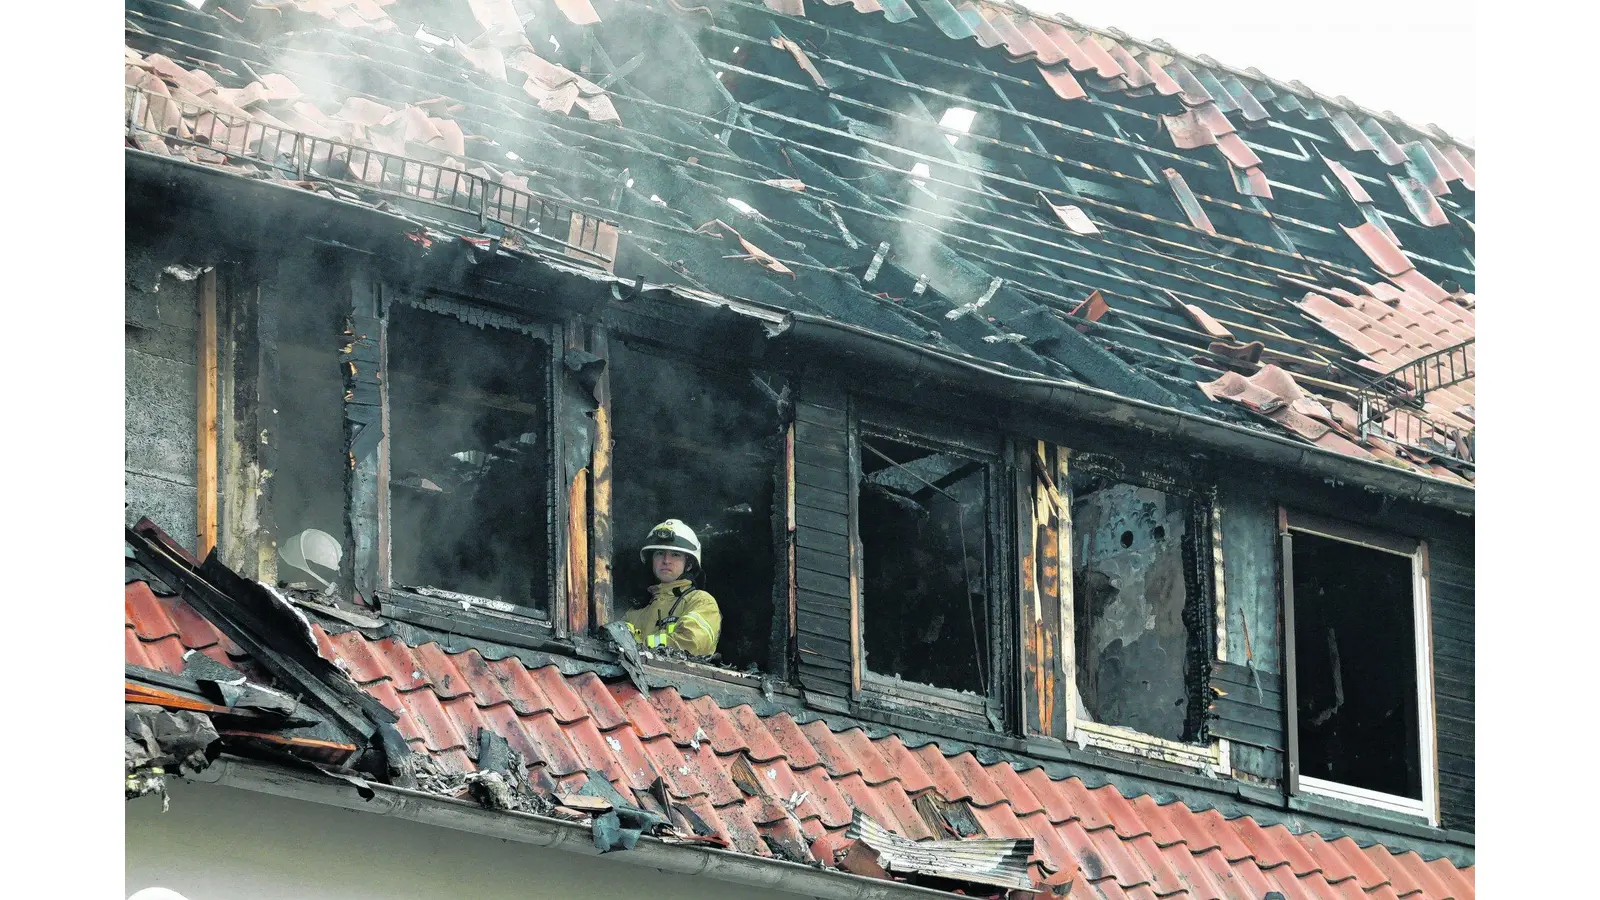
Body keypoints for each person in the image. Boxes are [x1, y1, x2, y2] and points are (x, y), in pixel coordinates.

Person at [623, 519, 721, 656]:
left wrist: (640, 647)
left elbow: (692, 642)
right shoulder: (634, 612)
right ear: (651, 561)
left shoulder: (701, 601)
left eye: (675, 554)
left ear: (689, 564)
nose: (666, 560)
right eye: (659, 553)